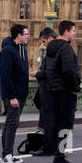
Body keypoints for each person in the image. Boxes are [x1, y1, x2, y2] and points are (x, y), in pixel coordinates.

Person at [42, 21, 81, 163]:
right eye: (73, 30)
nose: (75, 33)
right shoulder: (65, 49)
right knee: (66, 124)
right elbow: (68, 71)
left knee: (57, 122)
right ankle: (59, 156)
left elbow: (47, 70)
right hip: (65, 91)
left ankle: (57, 152)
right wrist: (74, 87)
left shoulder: (51, 49)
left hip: (53, 90)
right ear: (66, 32)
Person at [0, 24, 31, 163]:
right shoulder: (7, 51)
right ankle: (6, 154)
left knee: (12, 123)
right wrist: (12, 96)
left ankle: (8, 153)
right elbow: (6, 76)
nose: (28, 36)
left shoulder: (23, 49)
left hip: (21, 92)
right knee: (11, 123)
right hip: (13, 94)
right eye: (26, 34)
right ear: (18, 35)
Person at [30, 28, 57, 156]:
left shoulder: (55, 52)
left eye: (44, 41)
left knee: (48, 122)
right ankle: (54, 149)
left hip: (50, 92)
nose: (43, 44)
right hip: (49, 92)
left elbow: (52, 73)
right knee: (51, 122)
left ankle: (51, 150)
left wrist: (39, 73)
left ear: (50, 39)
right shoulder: (56, 51)